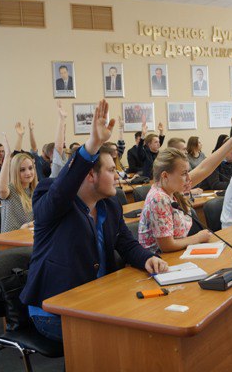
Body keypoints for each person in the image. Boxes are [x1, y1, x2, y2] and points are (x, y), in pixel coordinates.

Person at [20, 100, 168, 343]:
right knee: (125, 338)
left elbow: (126, 243)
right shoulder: (51, 197)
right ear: (90, 174)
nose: (117, 177)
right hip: (54, 310)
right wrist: (92, 145)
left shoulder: (109, 204)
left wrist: (147, 258)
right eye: (110, 170)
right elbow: (62, 189)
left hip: (97, 299)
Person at [138, 124, 232, 252]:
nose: (188, 178)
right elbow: (167, 246)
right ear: (165, 175)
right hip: (160, 258)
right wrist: (197, 238)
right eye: (184, 173)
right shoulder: (159, 198)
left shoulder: (172, 186)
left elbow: (204, 168)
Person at [0, 133, 37, 233]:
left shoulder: (36, 189)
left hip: (30, 236)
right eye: (22, 170)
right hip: (11, 238)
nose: (28, 173)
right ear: (15, 172)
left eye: (30, 168)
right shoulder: (10, 189)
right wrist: (7, 156)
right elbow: (2, 190)